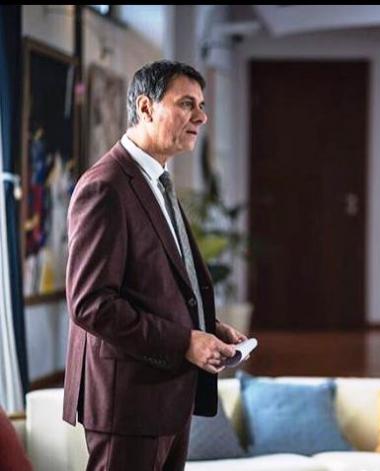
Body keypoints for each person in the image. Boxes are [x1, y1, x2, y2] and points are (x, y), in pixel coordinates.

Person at [63, 60, 246, 470]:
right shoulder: (105, 186)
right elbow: (91, 304)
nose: (201, 117)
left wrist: (206, 326)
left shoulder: (156, 180)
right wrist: (185, 342)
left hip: (167, 397)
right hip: (128, 403)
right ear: (146, 108)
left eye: (201, 105)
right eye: (186, 104)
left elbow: (156, 283)